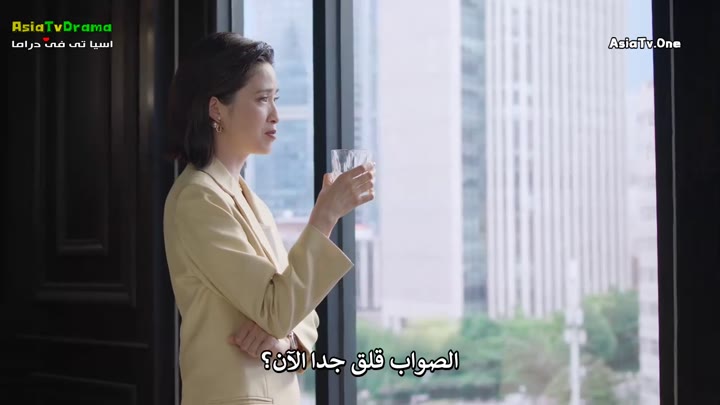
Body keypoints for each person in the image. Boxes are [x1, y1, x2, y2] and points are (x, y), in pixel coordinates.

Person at [163, 32, 375, 405]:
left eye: (276, 99)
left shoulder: (251, 202)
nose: (276, 115)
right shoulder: (199, 198)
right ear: (216, 109)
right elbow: (278, 308)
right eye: (262, 99)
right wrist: (325, 215)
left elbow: (296, 307)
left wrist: (287, 341)